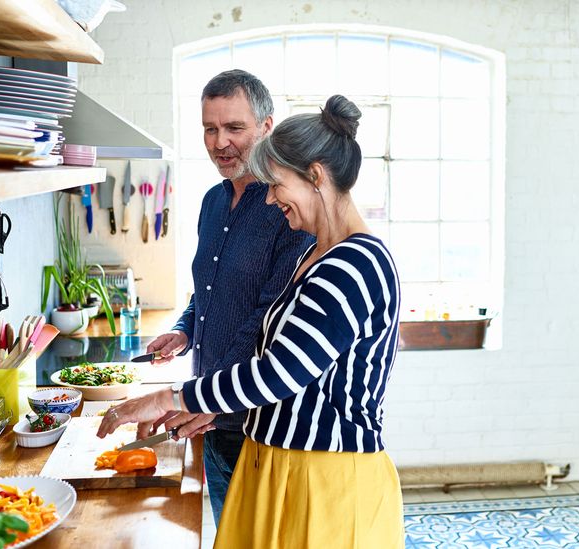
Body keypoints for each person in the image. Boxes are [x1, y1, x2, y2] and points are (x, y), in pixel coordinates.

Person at [99, 95, 404, 548]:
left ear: (315, 176)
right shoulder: (316, 252)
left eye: (277, 183)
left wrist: (172, 396)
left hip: (323, 481)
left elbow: (280, 372)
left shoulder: (356, 264)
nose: (272, 196)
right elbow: (281, 364)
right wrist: (208, 404)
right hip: (281, 467)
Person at [143, 69, 313, 526]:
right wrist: (183, 331)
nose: (220, 142)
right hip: (210, 419)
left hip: (259, 427)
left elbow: (266, 320)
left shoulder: (287, 210)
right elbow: (209, 291)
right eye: (209, 128)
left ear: (266, 126)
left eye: (234, 128)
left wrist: (199, 398)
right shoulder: (212, 202)